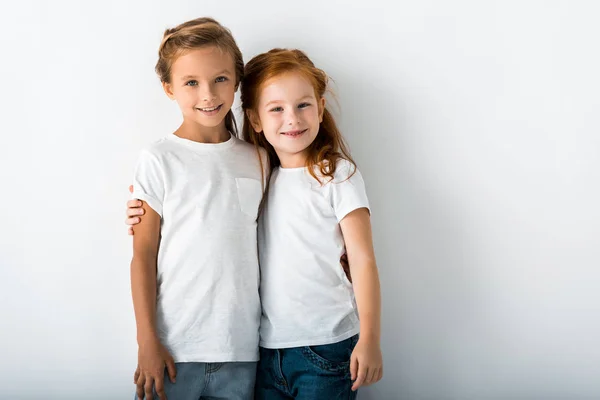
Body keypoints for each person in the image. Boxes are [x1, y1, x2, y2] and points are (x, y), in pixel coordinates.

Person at [126, 48, 383, 398]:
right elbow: (212, 216)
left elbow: (362, 259)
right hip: (268, 348)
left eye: (303, 105)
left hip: (324, 344)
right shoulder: (263, 170)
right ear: (256, 119)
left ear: (321, 107)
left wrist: (369, 338)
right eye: (276, 109)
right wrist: (144, 211)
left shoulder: (331, 173)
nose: (291, 119)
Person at [128, 17, 264, 400]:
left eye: (220, 79)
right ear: (169, 88)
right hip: (174, 351)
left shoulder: (259, 159)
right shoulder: (159, 159)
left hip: (242, 349)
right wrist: (146, 342)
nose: (208, 94)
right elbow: (142, 256)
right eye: (191, 83)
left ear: (236, 80)